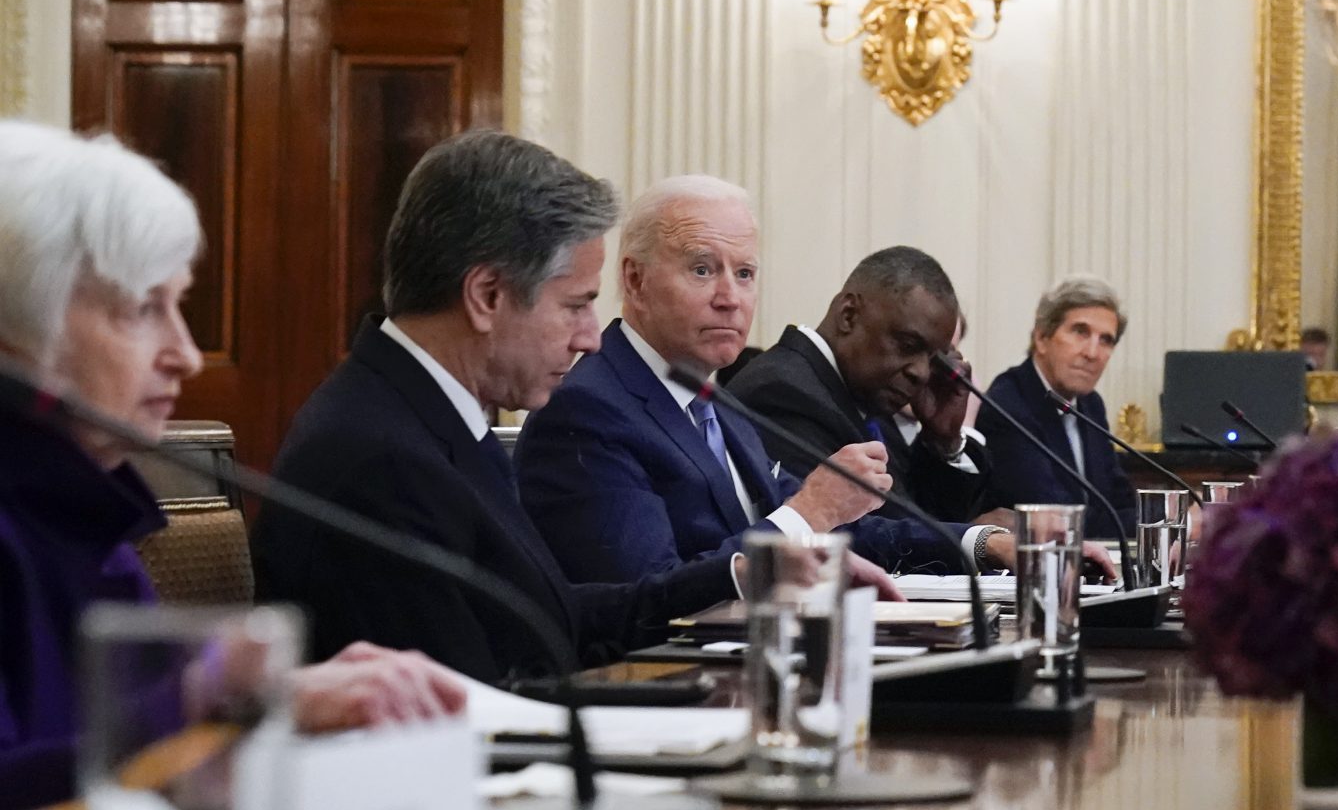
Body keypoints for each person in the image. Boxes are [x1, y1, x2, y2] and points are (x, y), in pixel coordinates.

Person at [0, 122, 459, 810]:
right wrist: (223, 703)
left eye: (178, 304)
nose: (185, 354)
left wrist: (291, 714)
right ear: (14, 340)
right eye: (143, 309)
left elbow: (136, 772)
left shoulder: (92, 514)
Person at [255, 132, 738, 681]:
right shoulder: (380, 460)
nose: (591, 339)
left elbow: (549, 620)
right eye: (575, 305)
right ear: (487, 295)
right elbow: (464, 702)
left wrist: (734, 575)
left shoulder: (427, 415)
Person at [514, 176, 902, 593]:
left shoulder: (716, 405)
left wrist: (961, 540)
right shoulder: (586, 411)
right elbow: (645, 595)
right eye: (702, 270)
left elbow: (824, 523)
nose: (730, 298)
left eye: (745, 273)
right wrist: (811, 511)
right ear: (635, 281)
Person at [725, 247, 1014, 576]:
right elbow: (852, 538)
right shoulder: (782, 392)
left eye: (934, 360)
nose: (921, 373)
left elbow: (919, 517)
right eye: (908, 346)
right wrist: (979, 540)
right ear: (848, 315)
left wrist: (943, 442)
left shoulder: (863, 398)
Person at [981, 276, 1139, 542]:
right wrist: (1173, 520)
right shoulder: (1008, 404)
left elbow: (1119, 501)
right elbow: (1057, 521)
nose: (1092, 353)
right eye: (1080, 332)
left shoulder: (1090, 405)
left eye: (1106, 340)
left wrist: (1166, 517)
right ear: (1042, 337)